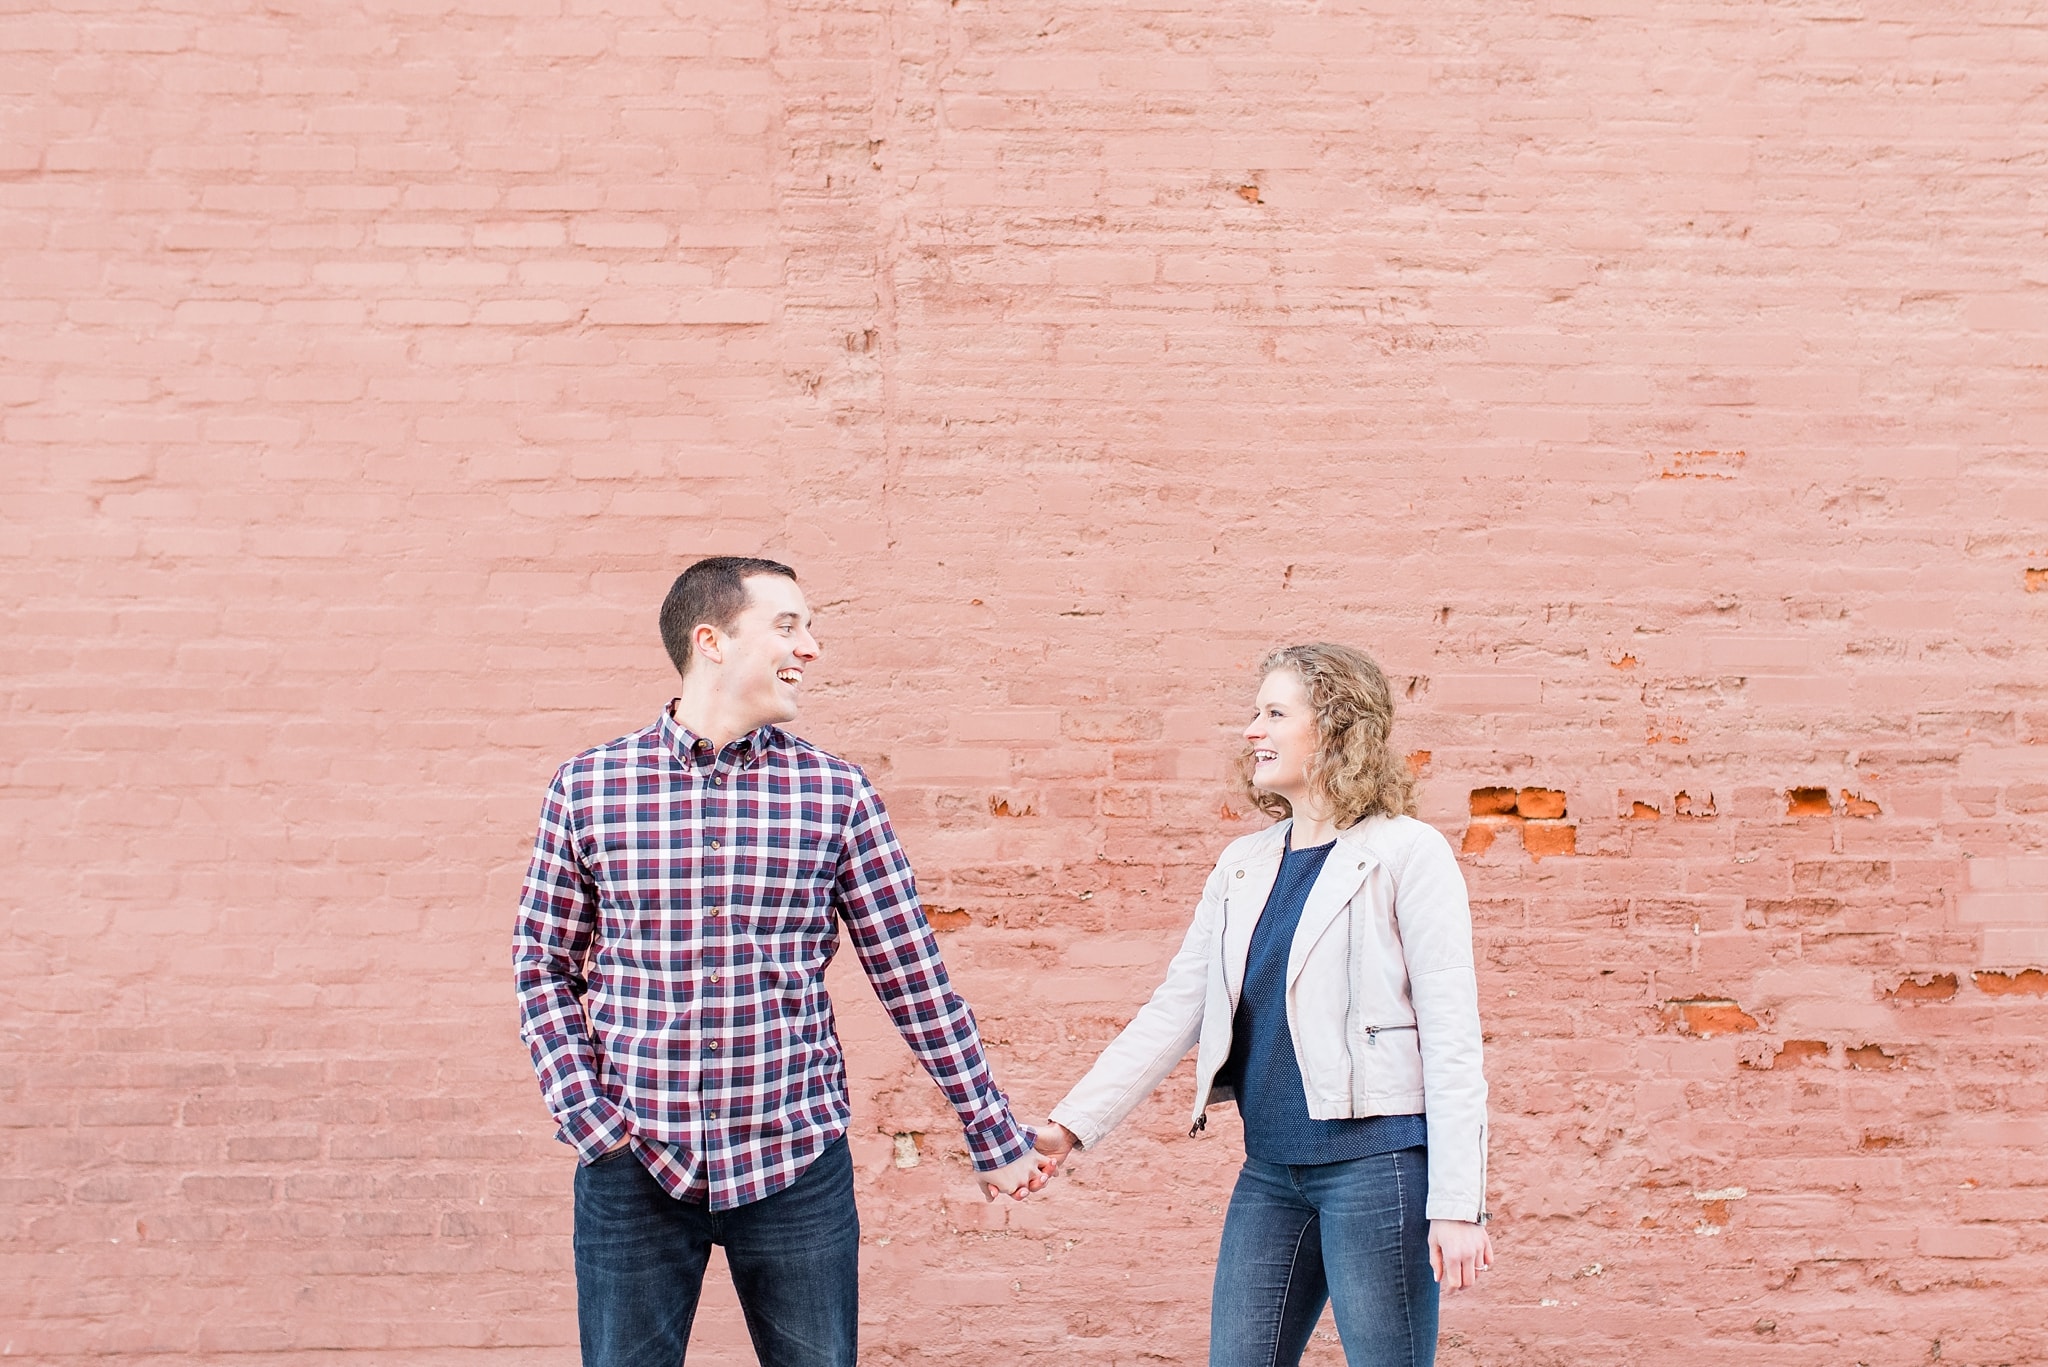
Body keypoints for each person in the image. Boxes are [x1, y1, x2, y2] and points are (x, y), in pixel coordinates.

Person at [513, 556, 1044, 1367]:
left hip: (794, 1162)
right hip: (636, 1162)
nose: (813, 647)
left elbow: (913, 976)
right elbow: (543, 964)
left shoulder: (838, 794)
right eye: (789, 626)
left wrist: (991, 1128)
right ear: (712, 641)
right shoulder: (588, 787)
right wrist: (590, 1118)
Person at [1033, 642, 1492, 1367]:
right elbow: (1175, 1007)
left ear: (1339, 729)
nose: (1252, 729)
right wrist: (1069, 1125)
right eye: (1255, 712)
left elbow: (1452, 1036)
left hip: (1378, 1168)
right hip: (1271, 1172)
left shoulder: (1409, 852)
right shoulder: (1242, 864)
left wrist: (1457, 1203)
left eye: (1275, 713)